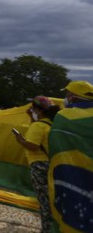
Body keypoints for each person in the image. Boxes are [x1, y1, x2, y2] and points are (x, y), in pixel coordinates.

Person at [47, 80, 93, 233]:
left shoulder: (64, 116)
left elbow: (55, 144)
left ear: (73, 96)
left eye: (67, 94)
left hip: (72, 174)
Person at [12, 96, 60, 233]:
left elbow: (32, 145)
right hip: (50, 163)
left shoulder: (38, 126)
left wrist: (20, 140)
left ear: (38, 110)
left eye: (33, 108)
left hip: (39, 165)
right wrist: (31, 117)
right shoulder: (50, 124)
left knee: (44, 201)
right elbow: (37, 128)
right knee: (51, 198)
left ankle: (47, 229)